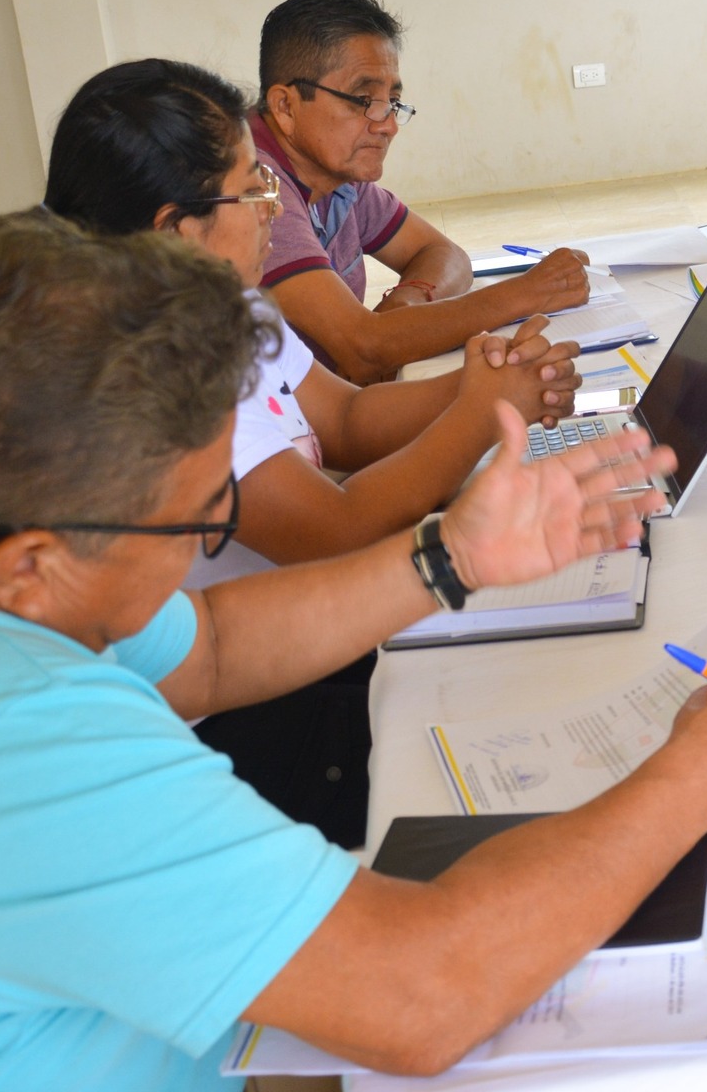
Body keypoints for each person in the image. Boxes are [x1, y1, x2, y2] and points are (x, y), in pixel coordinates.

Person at [0, 213, 707, 1092]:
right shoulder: (14, 744)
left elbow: (209, 646)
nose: (213, 543)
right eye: (202, 519)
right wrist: (696, 778)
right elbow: (424, 995)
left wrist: (449, 557)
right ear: (32, 564)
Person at [44, 57, 587, 845]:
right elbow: (338, 531)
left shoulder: (230, 303)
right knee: (504, 724)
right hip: (229, 715)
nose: (274, 207)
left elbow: (348, 418)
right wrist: (479, 414)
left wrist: (489, 385)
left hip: (284, 638)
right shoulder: (150, 371)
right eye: (252, 191)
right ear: (174, 229)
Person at [253, 0, 594, 383]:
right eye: (363, 100)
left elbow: (446, 254)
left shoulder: (338, 177)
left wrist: (406, 303)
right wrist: (527, 293)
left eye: (392, 101)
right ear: (285, 106)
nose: (388, 125)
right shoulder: (252, 187)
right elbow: (364, 349)